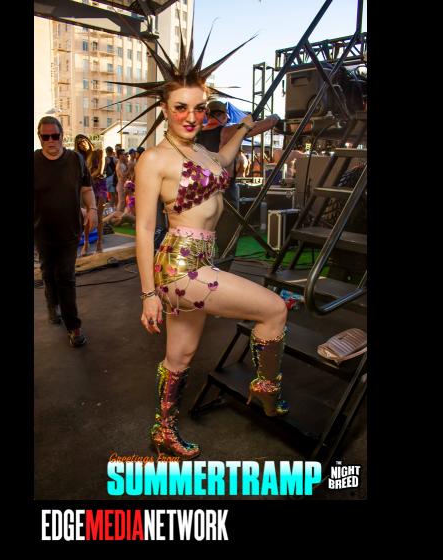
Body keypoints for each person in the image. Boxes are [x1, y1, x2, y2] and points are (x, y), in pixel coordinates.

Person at [119, 28, 289, 459]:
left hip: (200, 263)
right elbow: (144, 229)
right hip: (181, 269)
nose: (191, 116)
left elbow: (225, 157)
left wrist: (245, 126)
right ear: (165, 109)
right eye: (181, 108)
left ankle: (163, 432)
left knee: (181, 354)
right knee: (273, 309)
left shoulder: (202, 154)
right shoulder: (155, 159)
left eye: (199, 108)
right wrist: (147, 295)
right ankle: (266, 389)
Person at [34, 116, 95, 348]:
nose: (50, 140)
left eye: (55, 136)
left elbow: (87, 188)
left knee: (66, 277)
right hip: (41, 231)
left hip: (70, 230)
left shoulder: (76, 160)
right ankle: (52, 305)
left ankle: (73, 327)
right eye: (45, 136)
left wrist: (92, 209)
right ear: (40, 138)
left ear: (62, 136)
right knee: (48, 273)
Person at [196, 100, 280, 206]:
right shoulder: (227, 132)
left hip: (199, 192)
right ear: (224, 116)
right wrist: (275, 117)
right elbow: (268, 123)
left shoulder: (195, 135)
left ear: (207, 115)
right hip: (224, 194)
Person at [74, 135, 106, 255]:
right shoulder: (80, 158)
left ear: (88, 140)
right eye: (79, 144)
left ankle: (99, 242)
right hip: (88, 188)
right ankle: (86, 243)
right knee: (88, 215)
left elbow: (100, 171)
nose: (82, 144)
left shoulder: (98, 152)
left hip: (100, 186)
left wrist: (88, 178)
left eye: (83, 141)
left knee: (99, 216)